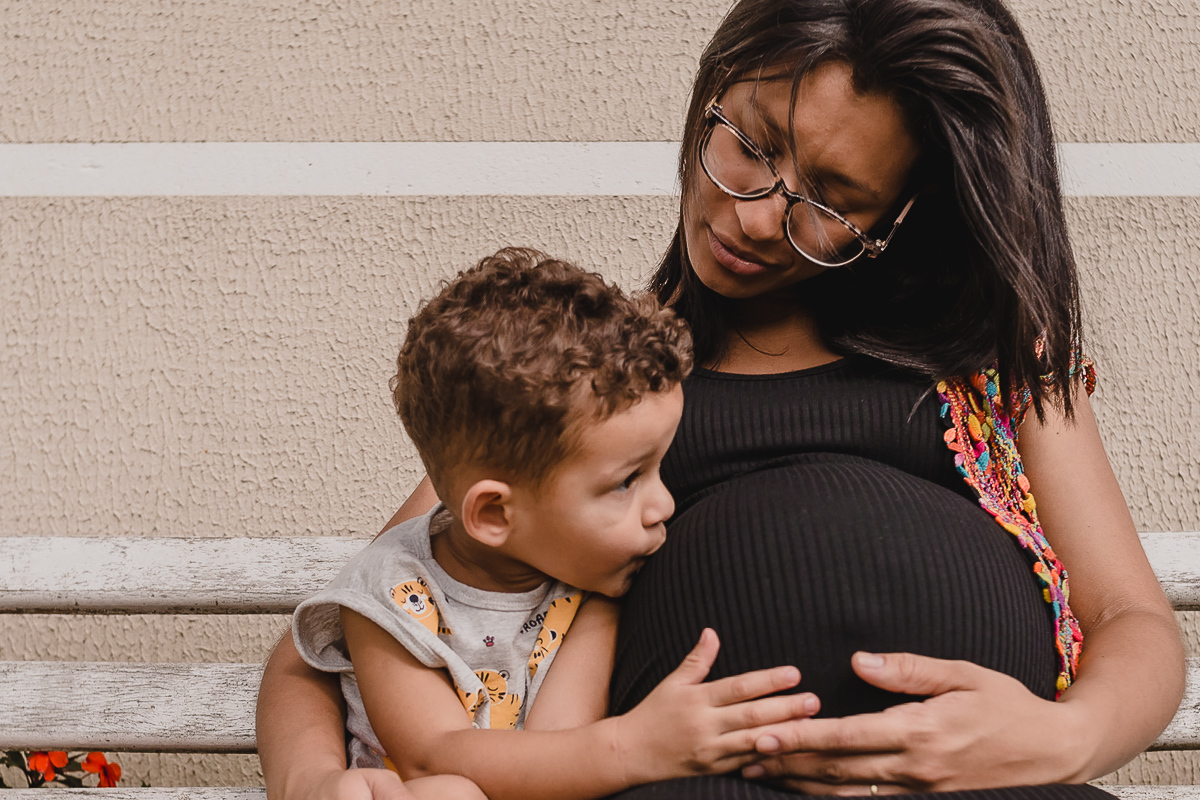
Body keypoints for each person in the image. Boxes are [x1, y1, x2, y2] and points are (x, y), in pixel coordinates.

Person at [256, 0, 1185, 798]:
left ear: (900, 216)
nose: (752, 216)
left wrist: (1061, 739)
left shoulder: (987, 365)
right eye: (751, 143)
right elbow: (331, 641)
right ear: (713, 90)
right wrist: (316, 782)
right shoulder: (609, 383)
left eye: (830, 199)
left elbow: (1130, 623)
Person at [288, 248, 816, 800]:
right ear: (495, 514)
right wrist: (635, 747)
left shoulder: (590, 585)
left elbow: (559, 744)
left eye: (659, 468)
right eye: (626, 481)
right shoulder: (390, 595)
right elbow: (430, 754)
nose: (664, 504)